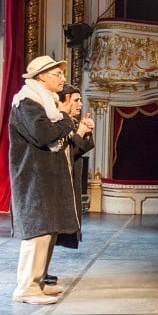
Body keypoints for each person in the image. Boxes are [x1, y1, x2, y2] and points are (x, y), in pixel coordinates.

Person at [8, 56, 93, 305]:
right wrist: (66, 118)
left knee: (47, 231)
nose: (62, 78)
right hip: (33, 177)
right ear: (42, 76)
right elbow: (43, 134)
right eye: (57, 74)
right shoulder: (27, 102)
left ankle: (39, 282)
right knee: (37, 232)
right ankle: (26, 287)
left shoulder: (46, 103)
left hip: (46, 177)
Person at [53, 84, 95, 258]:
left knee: (56, 233)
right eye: (76, 100)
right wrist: (79, 133)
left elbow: (79, 151)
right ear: (65, 101)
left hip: (70, 181)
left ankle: (43, 272)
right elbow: (64, 155)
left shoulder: (72, 121)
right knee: (50, 232)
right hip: (57, 183)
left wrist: (84, 132)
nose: (80, 104)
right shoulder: (57, 122)